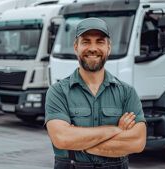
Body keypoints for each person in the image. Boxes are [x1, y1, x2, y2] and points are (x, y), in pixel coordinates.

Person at [45, 17, 147, 169]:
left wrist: (80, 142)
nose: (93, 48)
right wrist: (116, 130)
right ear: (75, 47)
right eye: (86, 41)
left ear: (109, 47)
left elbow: (137, 142)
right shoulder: (58, 92)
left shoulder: (127, 93)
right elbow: (62, 138)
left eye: (100, 42)